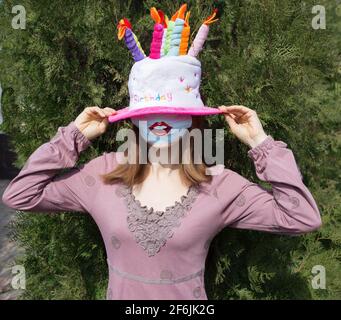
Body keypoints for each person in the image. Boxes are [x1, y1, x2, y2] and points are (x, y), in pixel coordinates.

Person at [1, 5, 322, 300]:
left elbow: (301, 217)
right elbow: (21, 196)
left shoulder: (221, 185)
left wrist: (261, 143)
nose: (161, 122)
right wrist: (71, 137)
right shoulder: (101, 175)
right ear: (134, 117)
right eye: (151, 111)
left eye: (172, 110)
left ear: (193, 116)